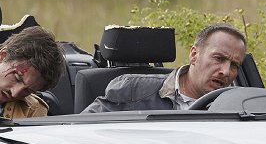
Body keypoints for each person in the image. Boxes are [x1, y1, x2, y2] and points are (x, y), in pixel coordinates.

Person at [83, 23, 247, 112]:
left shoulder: (239, 108)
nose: (225, 71)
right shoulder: (132, 91)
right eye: (218, 58)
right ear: (194, 55)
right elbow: (77, 133)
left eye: (234, 65)